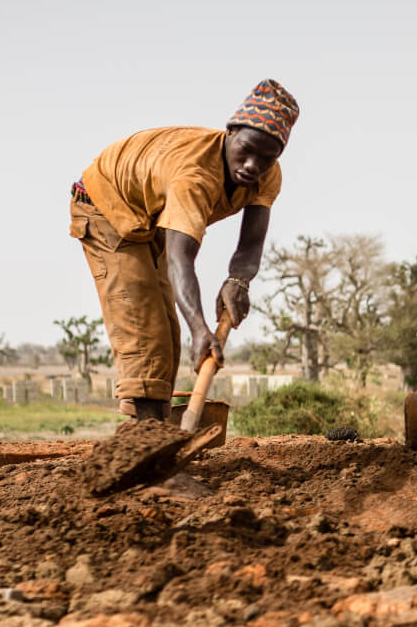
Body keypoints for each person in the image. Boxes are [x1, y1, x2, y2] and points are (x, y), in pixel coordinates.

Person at [70, 79, 298, 419]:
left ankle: (153, 432)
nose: (253, 165)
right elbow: (181, 260)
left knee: (168, 329)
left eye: (266, 157)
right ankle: (148, 445)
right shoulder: (194, 176)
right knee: (144, 326)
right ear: (231, 132)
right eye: (246, 150)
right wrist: (200, 328)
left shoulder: (268, 173)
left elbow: (251, 241)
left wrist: (238, 282)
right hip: (105, 206)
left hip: (150, 215)